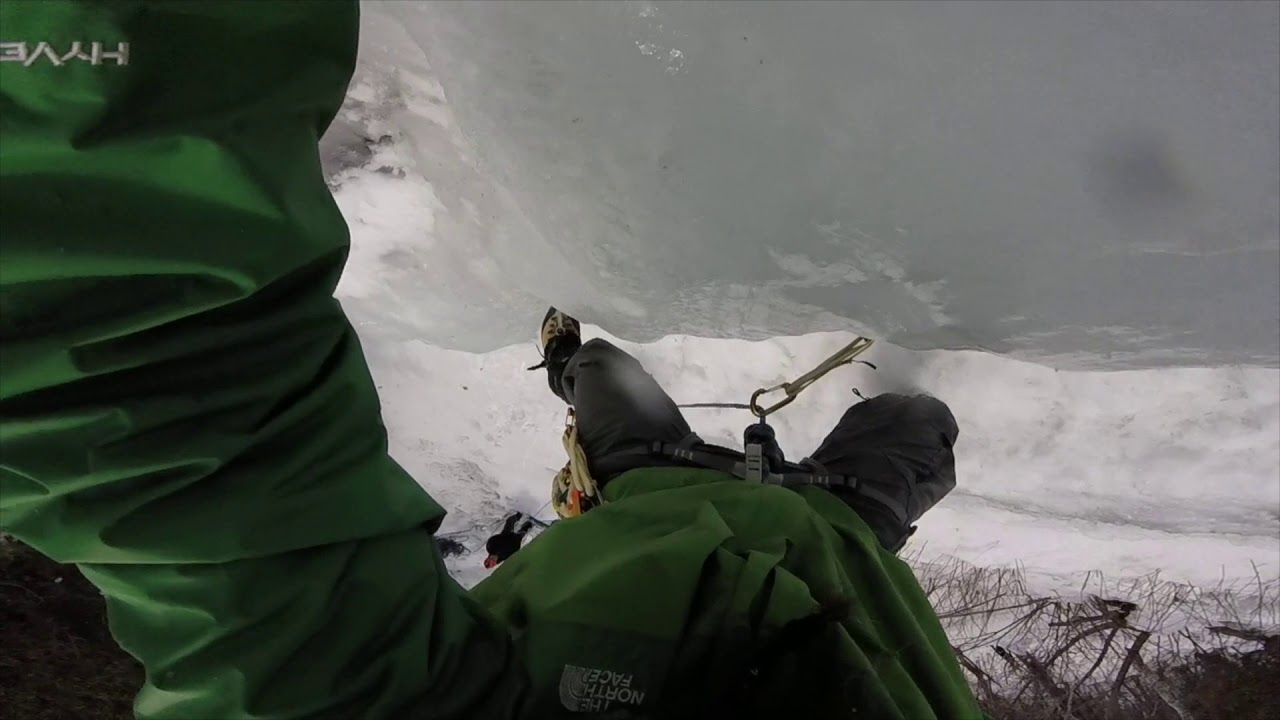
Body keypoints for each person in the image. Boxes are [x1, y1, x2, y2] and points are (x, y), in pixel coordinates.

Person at [0, 3, 984, 719]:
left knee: (598, 374)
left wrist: (91, 66)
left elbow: (162, 446)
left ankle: (578, 367)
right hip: (837, 545)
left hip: (642, 513)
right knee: (916, 430)